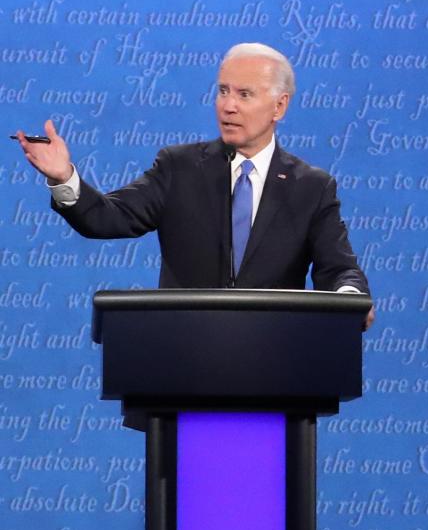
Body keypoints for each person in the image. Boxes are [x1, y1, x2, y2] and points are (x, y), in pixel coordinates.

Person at [15, 42, 373, 326]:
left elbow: (339, 268)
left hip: (272, 365)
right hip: (183, 364)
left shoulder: (310, 187)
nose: (228, 106)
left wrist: (350, 295)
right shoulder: (179, 167)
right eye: (222, 91)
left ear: (279, 107)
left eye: (244, 95)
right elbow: (108, 217)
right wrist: (64, 178)